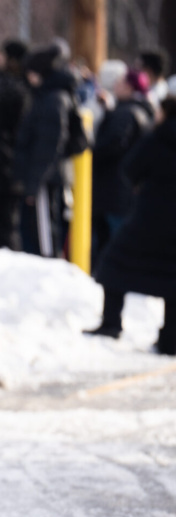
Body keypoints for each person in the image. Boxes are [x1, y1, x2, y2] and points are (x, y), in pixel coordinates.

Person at [84, 96, 176, 355]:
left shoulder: (157, 138)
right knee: (172, 278)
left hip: (149, 216)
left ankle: (111, 322)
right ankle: (171, 338)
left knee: (115, 264)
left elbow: (129, 168)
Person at [91, 69, 154, 265]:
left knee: (111, 240)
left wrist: (90, 153)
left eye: (119, 82)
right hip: (123, 188)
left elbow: (114, 143)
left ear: (128, 87)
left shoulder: (126, 113)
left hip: (113, 188)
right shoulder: (141, 110)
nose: (115, 86)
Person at [14, 45, 70, 258]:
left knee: (44, 238)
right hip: (41, 178)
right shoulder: (47, 98)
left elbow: (48, 147)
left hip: (43, 180)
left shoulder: (52, 100)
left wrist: (33, 184)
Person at [0, 40, 30, 251]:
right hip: (8, 163)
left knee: (1, 225)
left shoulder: (12, 89)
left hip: (3, 164)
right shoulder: (25, 87)